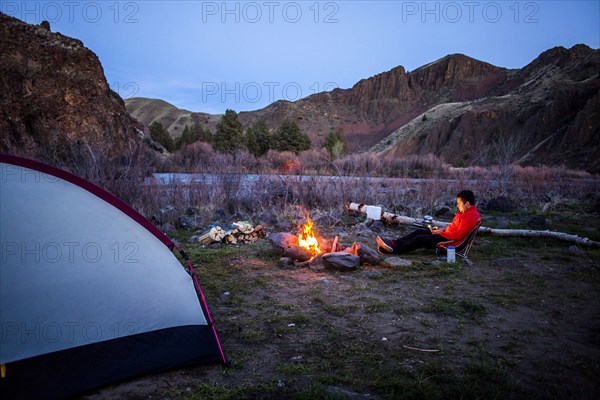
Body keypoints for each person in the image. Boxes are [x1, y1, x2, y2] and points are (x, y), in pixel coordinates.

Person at [376, 190, 481, 255]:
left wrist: (441, 233)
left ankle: (394, 250)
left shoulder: (471, 216)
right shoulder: (464, 212)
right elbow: (454, 226)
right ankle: (394, 243)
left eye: (459, 203)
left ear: (467, 203)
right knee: (418, 231)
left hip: (450, 242)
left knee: (420, 239)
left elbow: (458, 235)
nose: (457, 206)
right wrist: (441, 229)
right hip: (446, 235)